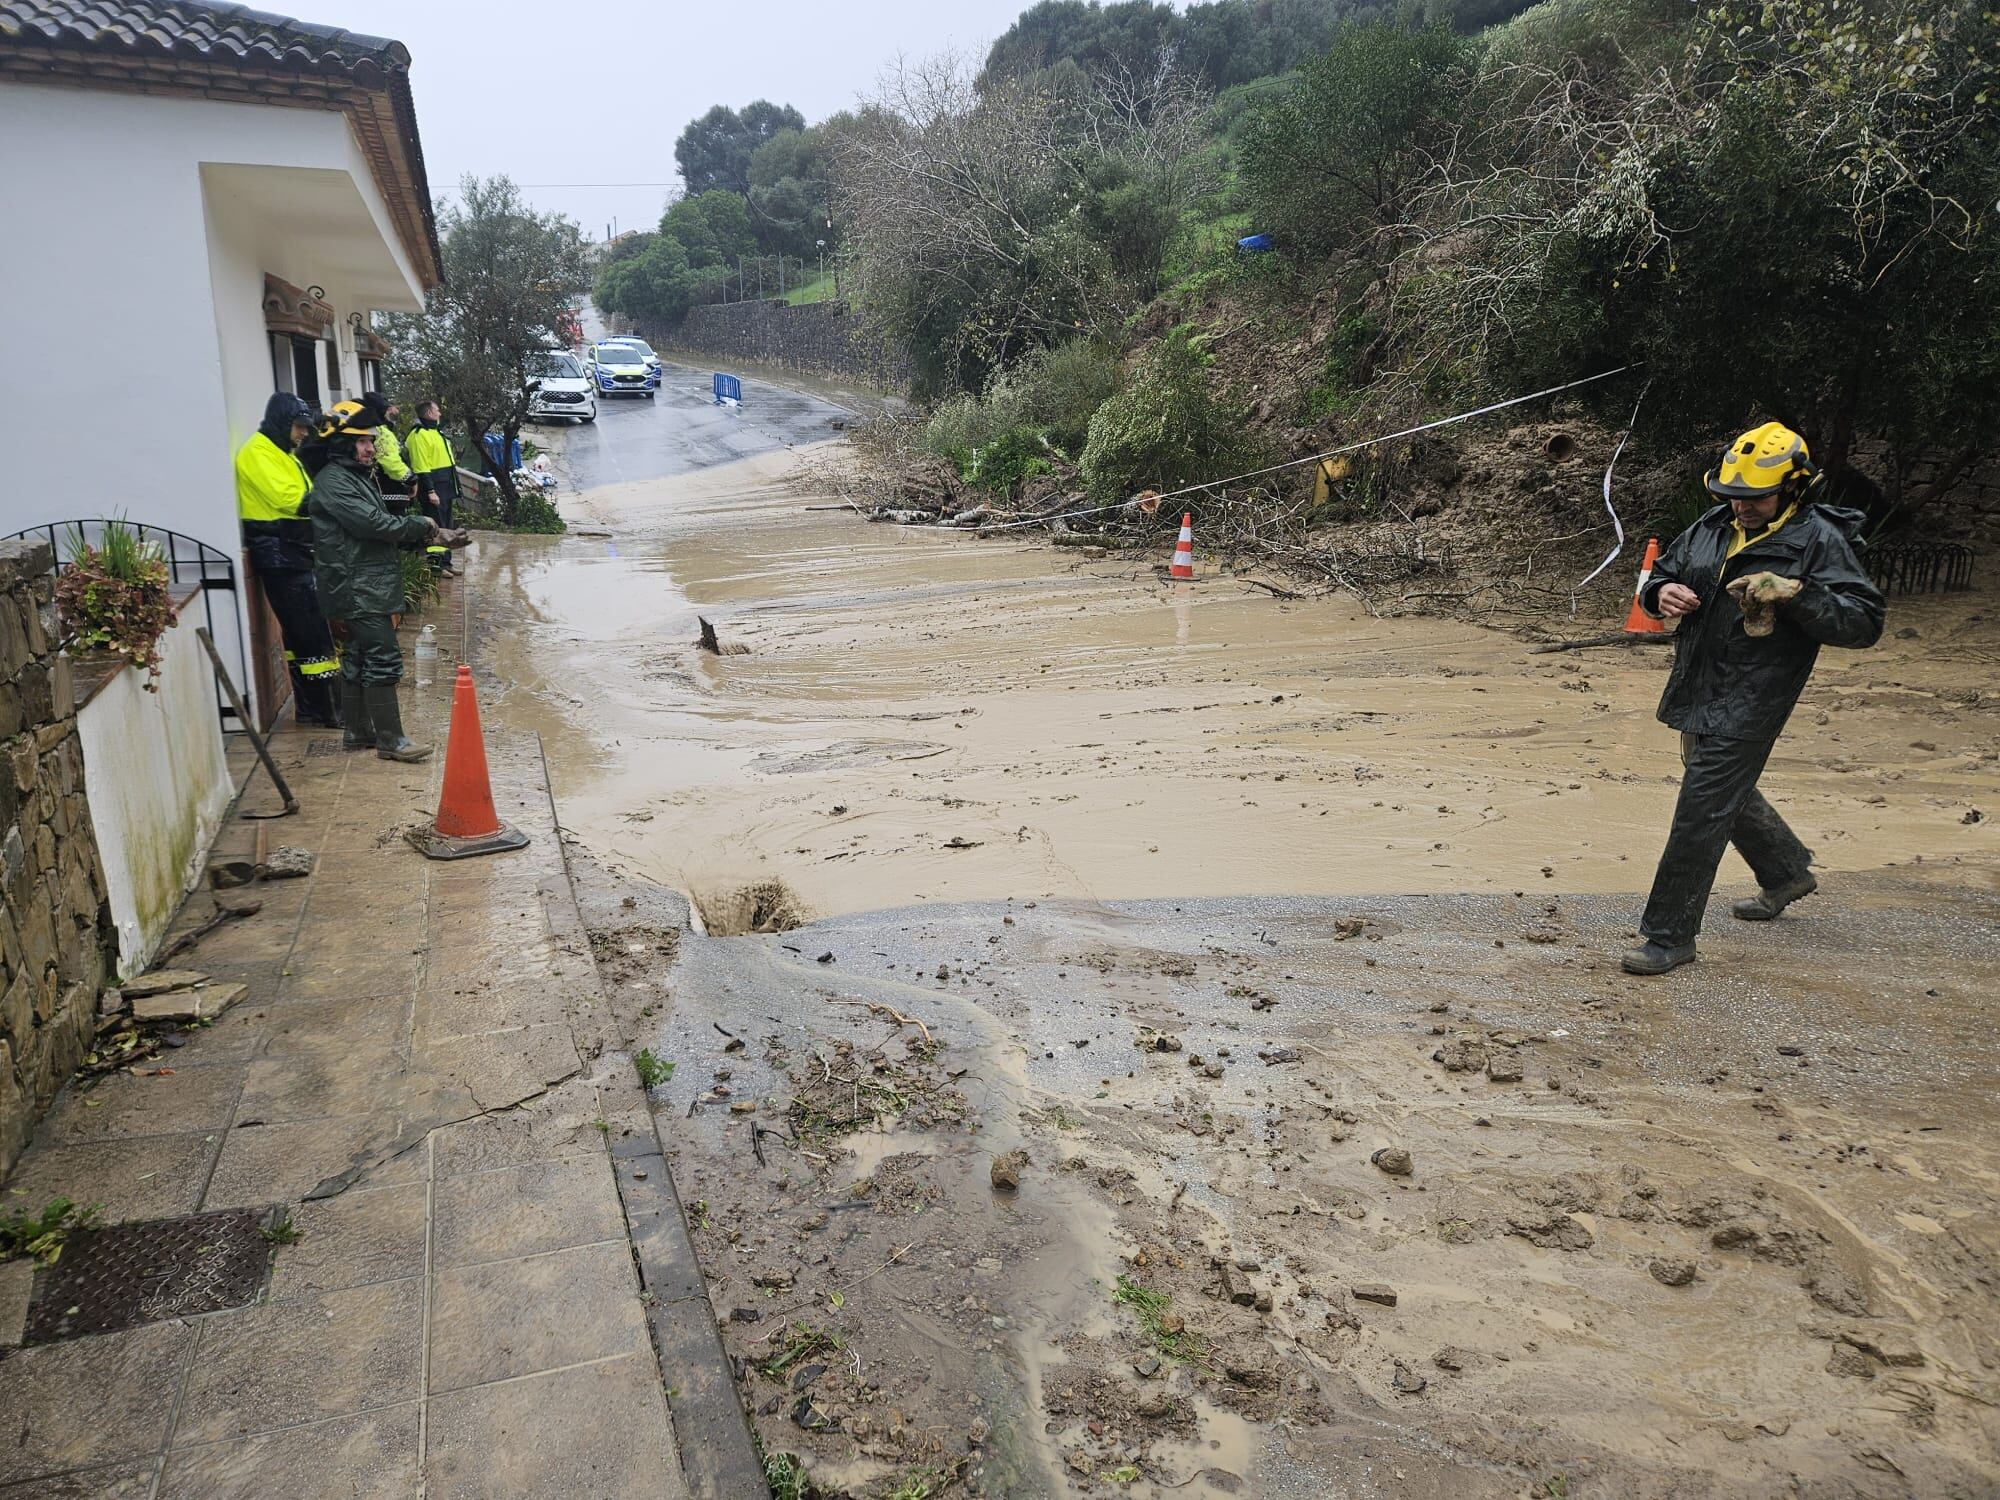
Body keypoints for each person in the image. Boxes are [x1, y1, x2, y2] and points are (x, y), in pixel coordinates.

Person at [1622, 421, 1886, 976]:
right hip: (1698, 681)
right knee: (1716, 786)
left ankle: (1669, 936)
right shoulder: (1713, 525)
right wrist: (1659, 592)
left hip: (1756, 695)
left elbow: (1863, 622)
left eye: (1754, 497)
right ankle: (1785, 872)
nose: (1740, 507)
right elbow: (1662, 573)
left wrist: (1796, 595)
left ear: (1793, 488)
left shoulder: (1818, 538)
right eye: (1732, 495)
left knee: (1701, 808)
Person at [309, 401, 463, 761]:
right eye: (362, 441)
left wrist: (430, 534)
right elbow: (373, 526)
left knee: (361, 656)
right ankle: (391, 741)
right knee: (382, 657)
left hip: (363, 581)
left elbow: (377, 528)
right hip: (357, 586)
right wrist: (426, 527)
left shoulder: (353, 477)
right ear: (341, 444)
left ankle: (358, 733)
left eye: (371, 440)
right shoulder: (335, 482)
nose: (370, 447)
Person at [234, 392, 341, 727]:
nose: (304, 433)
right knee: (312, 634)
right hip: (278, 553)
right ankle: (331, 710)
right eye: (299, 427)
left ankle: (311, 708)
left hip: (290, 552)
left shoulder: (281, 452)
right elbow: (291, 500)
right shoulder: (257, 452)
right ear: (282, 422)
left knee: (301, 636)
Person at [405, 398, 459, 576]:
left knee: (446, 525)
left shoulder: (436, 432)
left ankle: (446, 562)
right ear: (429, 413)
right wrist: (430, 490)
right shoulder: (419, 435)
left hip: (446, 485)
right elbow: (421, 466)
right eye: (437, 410)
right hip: (434, 487)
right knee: (435, 527)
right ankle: (436, 565)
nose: (440, 413)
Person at [360, 391, 416, 512]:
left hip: (376, 492)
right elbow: (390, 461)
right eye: (387, 409)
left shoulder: (368, 429)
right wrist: (411, 479)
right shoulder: (380, 431)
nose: (390, 412)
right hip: (389, 492)